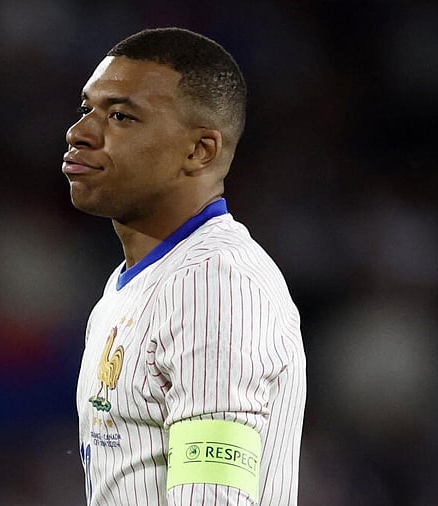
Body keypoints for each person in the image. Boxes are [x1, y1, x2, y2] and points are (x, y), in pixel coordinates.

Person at [63, 28, 306, 505]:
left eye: (120, 116)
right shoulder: (134, 283)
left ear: (199, 151)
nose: (80, 133)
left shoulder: (215, 286)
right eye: (86, 110)